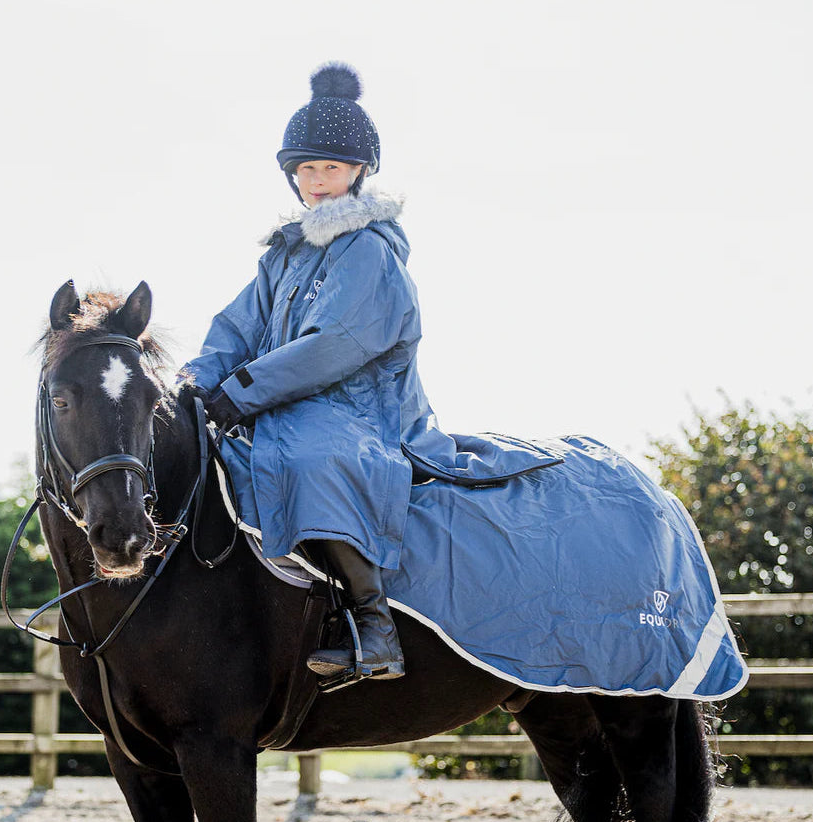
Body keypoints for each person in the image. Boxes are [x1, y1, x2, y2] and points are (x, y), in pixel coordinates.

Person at [181, 62, 556, 683]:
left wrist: (241, 392)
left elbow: (337, 345)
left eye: (329, 167)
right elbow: (236, 329)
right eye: (305, 169)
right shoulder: (285, 254)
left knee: (310, 459)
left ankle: (373, 624)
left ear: (359, 172)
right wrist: (195, 384)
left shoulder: (370, 252)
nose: (316, 181)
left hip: (362, 413)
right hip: (285, 403)